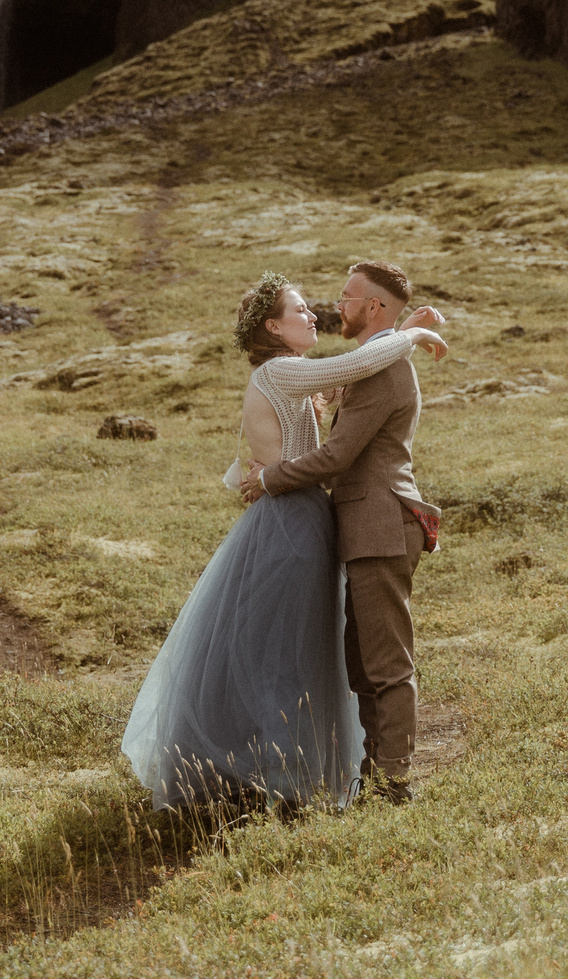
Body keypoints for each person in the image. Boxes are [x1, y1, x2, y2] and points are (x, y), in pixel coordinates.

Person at [120, 271, 451, 810]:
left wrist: (401, 328)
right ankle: (277, 775)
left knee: (301, 652)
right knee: (287, 654)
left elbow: (350, 380)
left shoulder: (291, 372)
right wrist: (408, 334)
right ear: (273, 327)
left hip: (313, 516)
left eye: (334, 302)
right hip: (294, 521)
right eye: (300, 310)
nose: (318, 314)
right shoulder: (279, 372)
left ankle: (363, 781)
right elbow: (353, 368)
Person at [241, 260, 442, 804]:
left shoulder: (383, 368)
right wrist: (406, 332)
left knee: (385, 664)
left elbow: (338, 455)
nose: (338, 307)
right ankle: (374, 779)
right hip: (364, 525)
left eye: (348, 298)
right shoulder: (370, 361)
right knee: (363, 663)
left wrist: (269, 480)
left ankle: (392, 784)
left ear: (373, 307)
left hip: (380, 523)